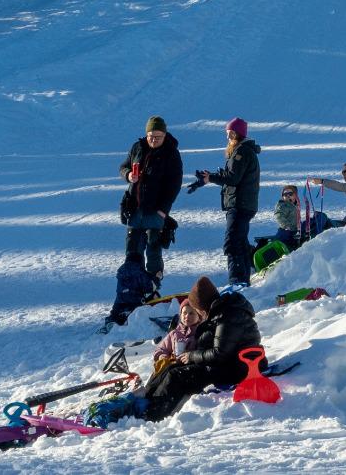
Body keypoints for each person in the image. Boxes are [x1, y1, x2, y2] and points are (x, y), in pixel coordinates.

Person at [88, 277, 264, 426]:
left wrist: (191, 356)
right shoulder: (222, 313)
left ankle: (151, 415)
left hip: (236, 368)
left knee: (176, 376)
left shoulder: (228, 317)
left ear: (203, 307)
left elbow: (220, 353)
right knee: (169, 368)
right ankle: (144, 399)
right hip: (226, 363)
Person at [107, 117, 183, 330]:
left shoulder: (171, 153)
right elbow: (123, 166)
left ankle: (153, 288)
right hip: (135, 209)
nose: (154, 140)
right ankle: (133, 290)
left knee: (153, 246)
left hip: (155, 212)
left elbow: (174, 184)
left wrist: (163, 210)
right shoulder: (138, 147)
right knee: (132, 248)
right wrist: (128, 174)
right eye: (151, 136)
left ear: (165, 135)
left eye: (157, 137)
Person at [197, 118, 261, 285]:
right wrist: (210, 177)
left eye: (228, 134)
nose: (227, 138)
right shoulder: (244, 151)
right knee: (240, 241)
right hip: (242, 204)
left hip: (240, 204)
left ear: (234, 134)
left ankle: (237, 282)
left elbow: (233, 178)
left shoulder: (241, 152)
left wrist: (211, 177)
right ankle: (243, 279)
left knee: (233, 242)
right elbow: (232, 175)